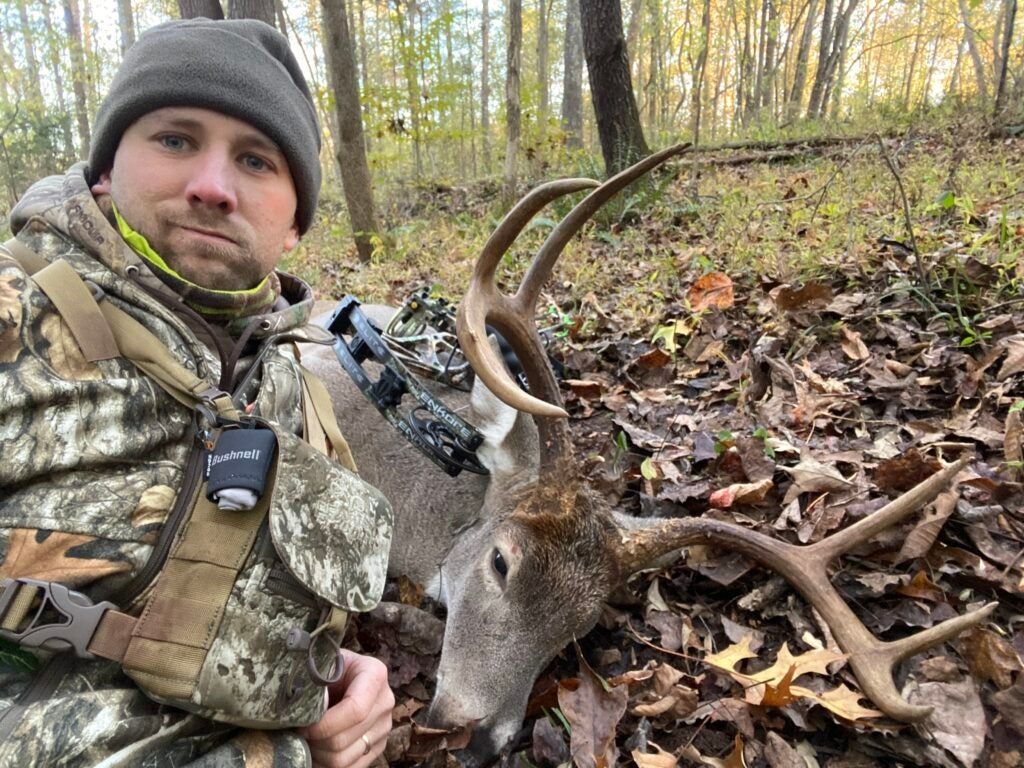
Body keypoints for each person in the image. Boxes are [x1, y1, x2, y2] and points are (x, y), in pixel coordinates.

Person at [0, 18, 394, 768]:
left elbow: (291, 620)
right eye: (176, 140)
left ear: (294, 227)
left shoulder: (298, 390)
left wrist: (345, 684)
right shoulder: (13, 314)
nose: (212, 187)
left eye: (255, 160)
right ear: (107, 169)